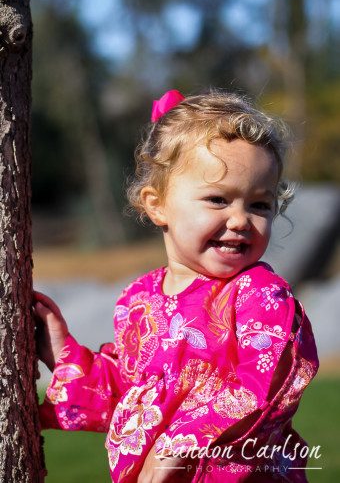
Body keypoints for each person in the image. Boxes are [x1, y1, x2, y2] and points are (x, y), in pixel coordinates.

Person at [34, 90, 319, 483]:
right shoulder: (139, 300)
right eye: (218, 199)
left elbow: (267, 383)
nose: (240, 220)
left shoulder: (259, 295)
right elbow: (132, 395)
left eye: (259, 205)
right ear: (158, 205)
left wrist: (181, 440)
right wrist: (62, 353)